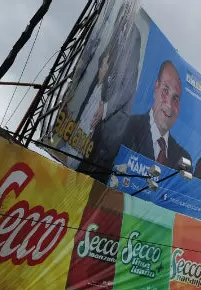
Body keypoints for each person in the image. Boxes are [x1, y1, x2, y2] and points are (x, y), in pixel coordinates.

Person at [87, 0, 143, 176]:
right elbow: (106, 60)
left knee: (95, 175)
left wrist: (106, 107)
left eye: (131, 5)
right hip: (101, 109)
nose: (127, 8)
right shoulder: (118, 24)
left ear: (135, 9)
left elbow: (128, 87)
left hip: (114, 122)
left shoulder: (134, 36)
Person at [120, 60, 191, 171]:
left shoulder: (183, 160)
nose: (169, 105)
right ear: (156, 87)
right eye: (165, 90)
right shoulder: (127, 127)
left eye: (175, 99)